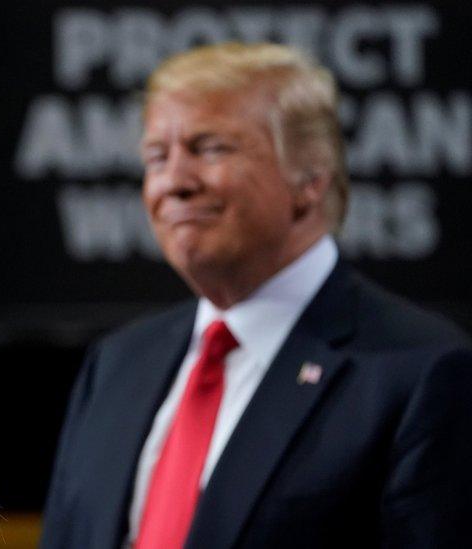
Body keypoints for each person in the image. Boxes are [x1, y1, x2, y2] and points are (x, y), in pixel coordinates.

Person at [41, 42, 472, 549]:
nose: (173, 182)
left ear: (309, 180)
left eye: (210, 148)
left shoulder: (420, 372)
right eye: (157, 156)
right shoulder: (115, 365)